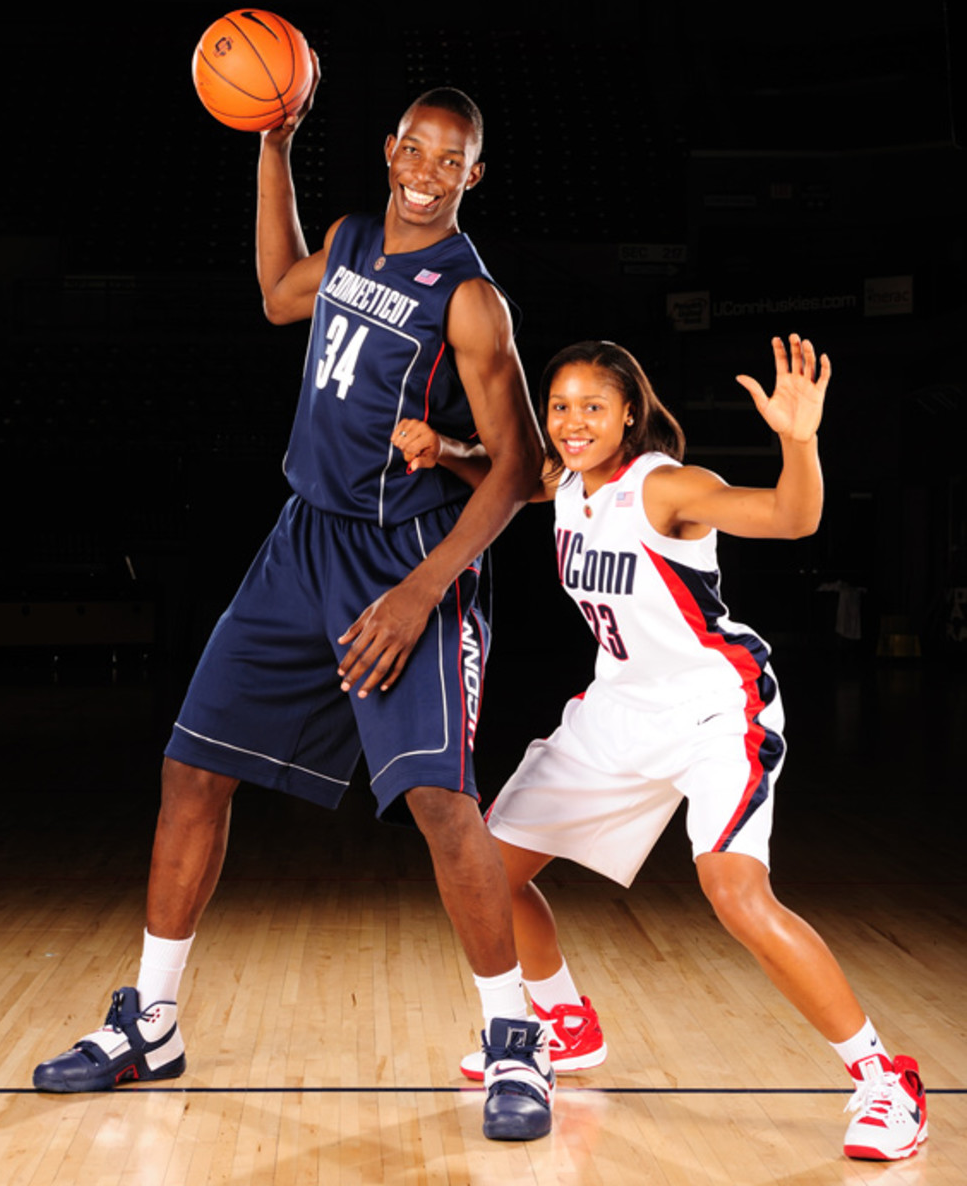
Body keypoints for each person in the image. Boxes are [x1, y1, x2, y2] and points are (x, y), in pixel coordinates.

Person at [32, 69, 557, 1142]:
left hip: (406, 557)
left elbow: (521, 472)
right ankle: (153, 1022)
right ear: (388, 150)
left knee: (440, 805)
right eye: (415, 149)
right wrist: (272, 140)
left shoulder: (472, 298)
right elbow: (278, 292)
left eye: (451, 159)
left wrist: (421, 594)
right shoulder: (357, 238)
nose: (427, 172)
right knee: (192, 767)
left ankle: (516, 1041)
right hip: (301, 541)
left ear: (474, 175)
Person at [392, 334, 928, 1162]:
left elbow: (793, 519)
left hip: (713, 706)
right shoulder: (563, 478)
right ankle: (562, 1023)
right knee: (486, 874)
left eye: (592, 408)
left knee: (735, 894)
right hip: (616, 707)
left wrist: (797, 438)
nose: (571, 423)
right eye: (560, 407)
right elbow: (508, 476)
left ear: (629, 415)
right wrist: (448, 447)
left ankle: (883, 1078)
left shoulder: (667, 487)